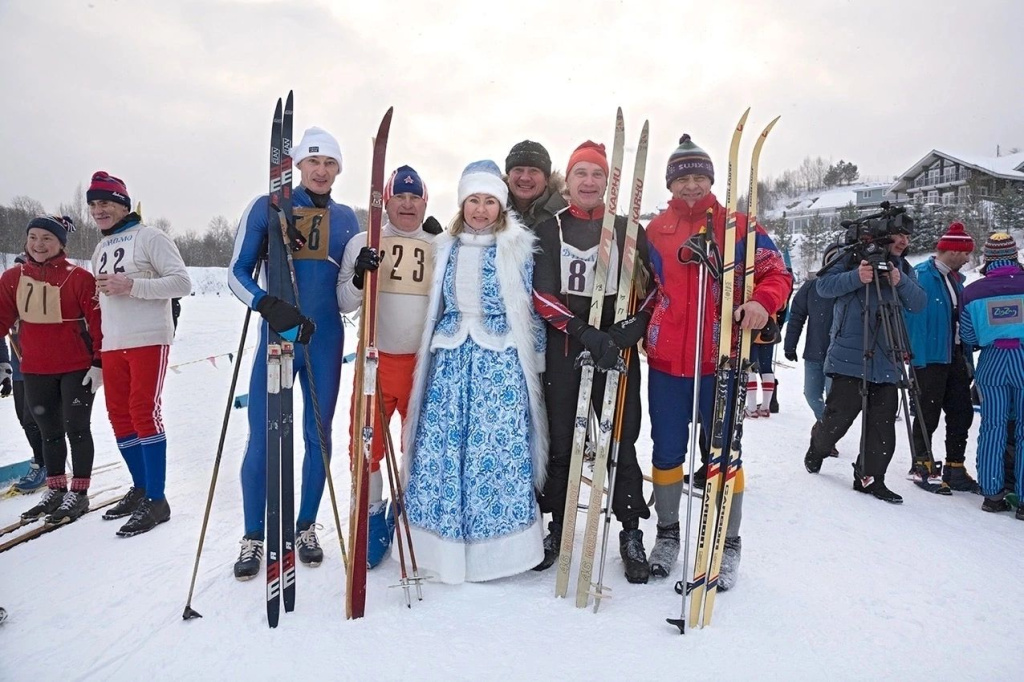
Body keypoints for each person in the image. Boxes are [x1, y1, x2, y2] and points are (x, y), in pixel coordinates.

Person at [643, 134, 792, 588]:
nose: (691, 186)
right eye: (682, 178)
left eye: (699, 177)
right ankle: (667, 534)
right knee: (667, 450)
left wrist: (764, 303)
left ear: (711, 178)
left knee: (723, 451)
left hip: (720, 359)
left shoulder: (738, 225)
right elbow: (646, 286)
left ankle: (727, 542)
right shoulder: (655, 231)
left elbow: (776, 271)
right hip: (667, 362)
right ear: (670, 184)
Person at [401, 160, 547, 584]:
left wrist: (533, 363)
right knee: (445, 448)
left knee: (493, 450)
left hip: (497, 363)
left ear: (500, 207)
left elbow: (528, 310)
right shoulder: (444, 245)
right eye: (473, 201)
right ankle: (441, 545)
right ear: (462, 203)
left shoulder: (516, 246)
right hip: (450, 359)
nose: (480, 210)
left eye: (489, 201)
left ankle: (498, 553)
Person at [229, 127, 360, 578]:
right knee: (263, 438)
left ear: (338, 170)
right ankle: (253, 535)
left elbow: (345, 293)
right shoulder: (269, 207)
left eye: (330, 164)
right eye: (313, 162)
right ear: (297, 166)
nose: (321, 171)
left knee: (317, 437)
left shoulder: (347, 219)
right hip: (279, 338)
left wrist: (361, 277)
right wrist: (267, 304)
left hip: (325, 342)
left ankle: (305, 526)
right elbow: (236, 274)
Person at [532, 141, 655, 584]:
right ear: (568, 181)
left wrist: (631, 330)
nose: (588, 182)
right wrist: (583, 331)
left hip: (616, 354)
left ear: (609, 182)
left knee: (619, 442)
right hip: (569, 352)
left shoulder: (629, 230)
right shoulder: (550, 229)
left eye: (596, 174)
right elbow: (541, 294)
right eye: (580, 173)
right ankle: (558, 526)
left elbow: (656, 289)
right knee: (564, 445)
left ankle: (630, 529)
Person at [337, 165, 438, 568]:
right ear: (386, 201)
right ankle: (372, 513)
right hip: (375, 363)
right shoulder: (365, 240)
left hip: (420, 365)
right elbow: (344, 301)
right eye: (401, 197)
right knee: (366, 444)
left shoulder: (438, 242)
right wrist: (361, 275)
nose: (408, 205)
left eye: (416, 198)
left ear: (425, 202)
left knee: (419, 446)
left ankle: (416, 509)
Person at [89, 172, 192, 536]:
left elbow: (182, 282)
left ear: (122, 204)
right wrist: (98, 354)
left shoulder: (151, 236)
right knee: (119, 416)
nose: (99, 210)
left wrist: (132, 285)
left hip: (149, 337)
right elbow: (102, 304)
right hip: (113, 342)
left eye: (106, 202)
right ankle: (142, 488)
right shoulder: (100, 248)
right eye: (94, 204)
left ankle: (158, 499)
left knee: (144, 412)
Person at [804, 226, 926, 503]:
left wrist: (900, 281)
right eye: (899, 235)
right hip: (850, 357)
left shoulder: (903, 268)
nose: (905, 241)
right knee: (838, 419)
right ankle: (818, 447)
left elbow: (919, 303)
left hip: (887, 358)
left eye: (908, 236)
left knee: (882, 425)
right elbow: (823, 287)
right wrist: (857, 277)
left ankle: (870, 478)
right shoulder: (849, 258)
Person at [0, 216, 103, 523]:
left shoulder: (80, 278)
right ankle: (56, 489)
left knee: (77, 428)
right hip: (35, 368)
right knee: (50, 432)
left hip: (76, 367)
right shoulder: (12, 278)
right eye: (33, 237)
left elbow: (99, 324)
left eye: (47, 238)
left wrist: (99, 362)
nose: (39, 244)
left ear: (60, 243)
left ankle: (79, 493)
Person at [904, 222, 979, 493]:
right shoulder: (922, 275)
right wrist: (912, 352)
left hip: (955, 355)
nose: (969, 258)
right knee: (928, 412)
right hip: (928, 356)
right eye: (966, 253)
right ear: (954, 251)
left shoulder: (955, 280)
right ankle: (921, 464)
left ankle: (954, 466)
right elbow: (910, 316)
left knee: (961, 412)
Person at [958, 233, 1024, 519]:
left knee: (992, 427)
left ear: (988, 259)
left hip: (992, 363)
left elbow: (968, 336)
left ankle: (992, 494)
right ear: (1015, 256)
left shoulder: (972, 292)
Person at [2, 305, 48, 494]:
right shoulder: (8, 295)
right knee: (24, 419)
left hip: (37, 364)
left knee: (34, 419)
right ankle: (41, 460)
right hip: (19, 367)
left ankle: (44, 464)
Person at [784, 271, 835, 426]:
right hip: (814, 352)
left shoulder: (849, 285)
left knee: (834, 400)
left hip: (839, 357)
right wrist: (789, 346)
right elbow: (796, 317)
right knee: (812, 395)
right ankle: (824, 425)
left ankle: (827, 435)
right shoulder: (811, 286)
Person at [504, 140, 568, 228]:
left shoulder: (564, 215)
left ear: (546, 179)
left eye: (533, 171)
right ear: (508, 176)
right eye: (518, 170)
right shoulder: (491, 210)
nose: (525, 178)